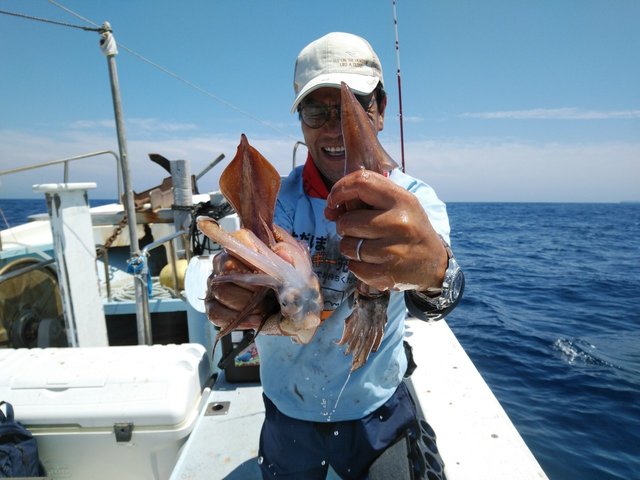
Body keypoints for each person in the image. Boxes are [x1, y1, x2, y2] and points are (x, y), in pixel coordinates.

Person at [208, 32, 464, 479]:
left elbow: (437, 298)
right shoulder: (279, 202)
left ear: (380, 111)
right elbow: (264, 287)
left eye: (354, 108)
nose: (335, 128)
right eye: (316, 110)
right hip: (289, 409)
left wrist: (435, 270)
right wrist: (234, 297)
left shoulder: (415, 202)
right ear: (301, 121)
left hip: (377, 407)